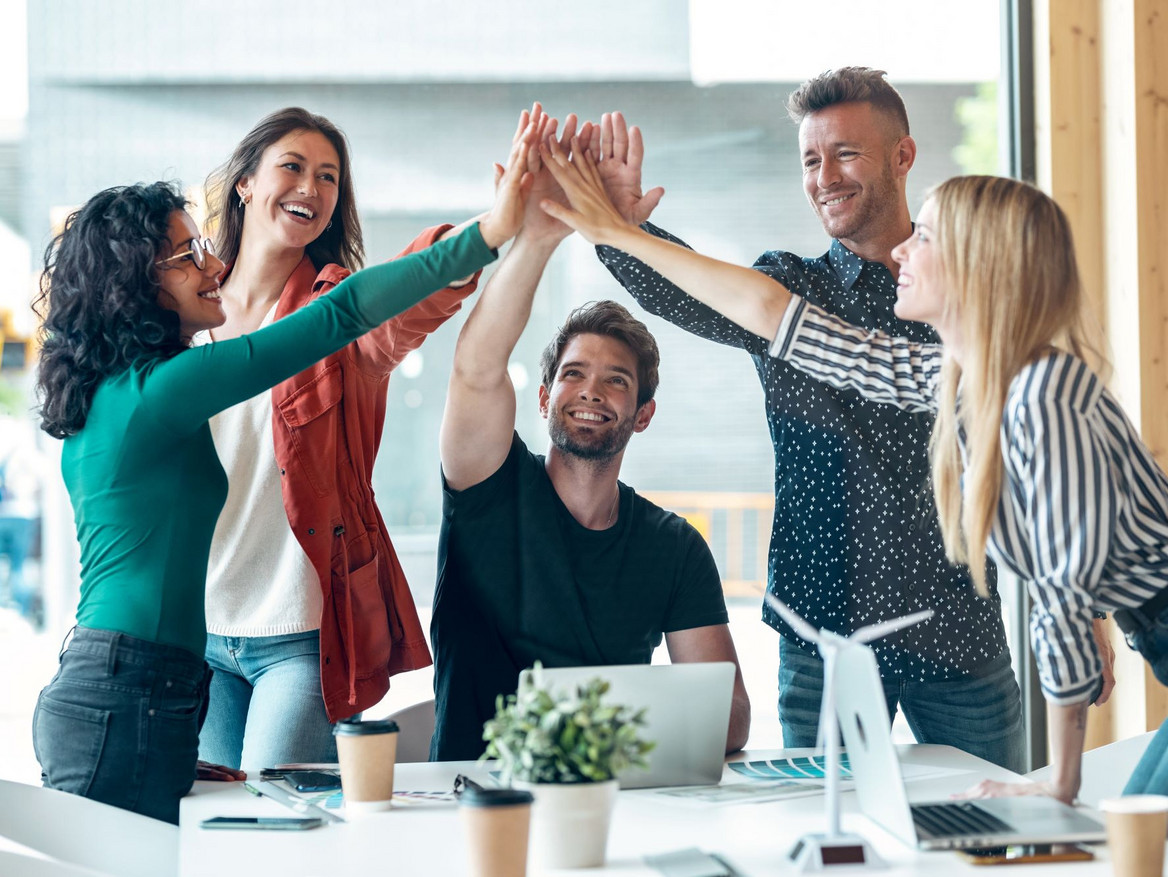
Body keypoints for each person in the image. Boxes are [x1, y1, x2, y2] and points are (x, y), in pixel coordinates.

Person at [540, 140, 1163, 805]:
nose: (902, 252)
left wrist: (1061, 781)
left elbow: (1065, 591)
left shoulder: (1042, 394)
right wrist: (615, 232)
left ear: (980, 266)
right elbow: (778, 319)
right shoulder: (960, 379)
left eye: (923, 239)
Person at [30, 136, 529, 822]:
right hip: (130, 687)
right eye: (185, 256)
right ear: (138, 281)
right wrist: (492, 232)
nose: (210, 263)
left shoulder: (113, 393)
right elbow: (342, 314)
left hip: (136, 681)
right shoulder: (160, 391)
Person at [430, 106, 751, 761]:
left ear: (643, 414)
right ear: (545, 397)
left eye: (616, 382)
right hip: (475, 801)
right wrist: (540, 238)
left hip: (615, 800)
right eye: (574, 375)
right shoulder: (487, 486)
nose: (592, 392)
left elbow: (729, 721)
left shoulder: (673, 547)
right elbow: (476, 366)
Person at [195, 107, 485, 770]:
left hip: (298, 637)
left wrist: (494, 227)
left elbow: (413, 295)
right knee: (209, 832)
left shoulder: (335, 313)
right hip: (196, 631)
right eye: (292, 166)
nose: (312, 187)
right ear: (244, 183)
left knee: (276, 824)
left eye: (329, 177)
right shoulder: (182, 314)